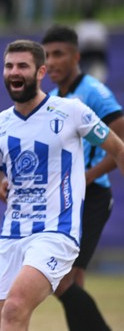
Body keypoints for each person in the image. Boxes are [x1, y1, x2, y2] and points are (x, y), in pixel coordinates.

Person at [0, 39, 124, 330]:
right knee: (5, 323)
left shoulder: (71, 111)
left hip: (56, 233)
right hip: (11, 237)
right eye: (9, 66)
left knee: (14, 308)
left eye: (23, 66)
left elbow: (118, 148)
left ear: (40, 72)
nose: (15, 72)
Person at [41, 25, 123, 331]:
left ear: (76, 56)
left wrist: (86, 178)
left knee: (61, 280)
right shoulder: (49, 98)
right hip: (66, 200)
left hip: (93, 197)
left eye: (58, 54)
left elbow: (121, 144)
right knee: (72, 281)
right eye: (46, 55)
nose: (51, 62)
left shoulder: (94, 92)